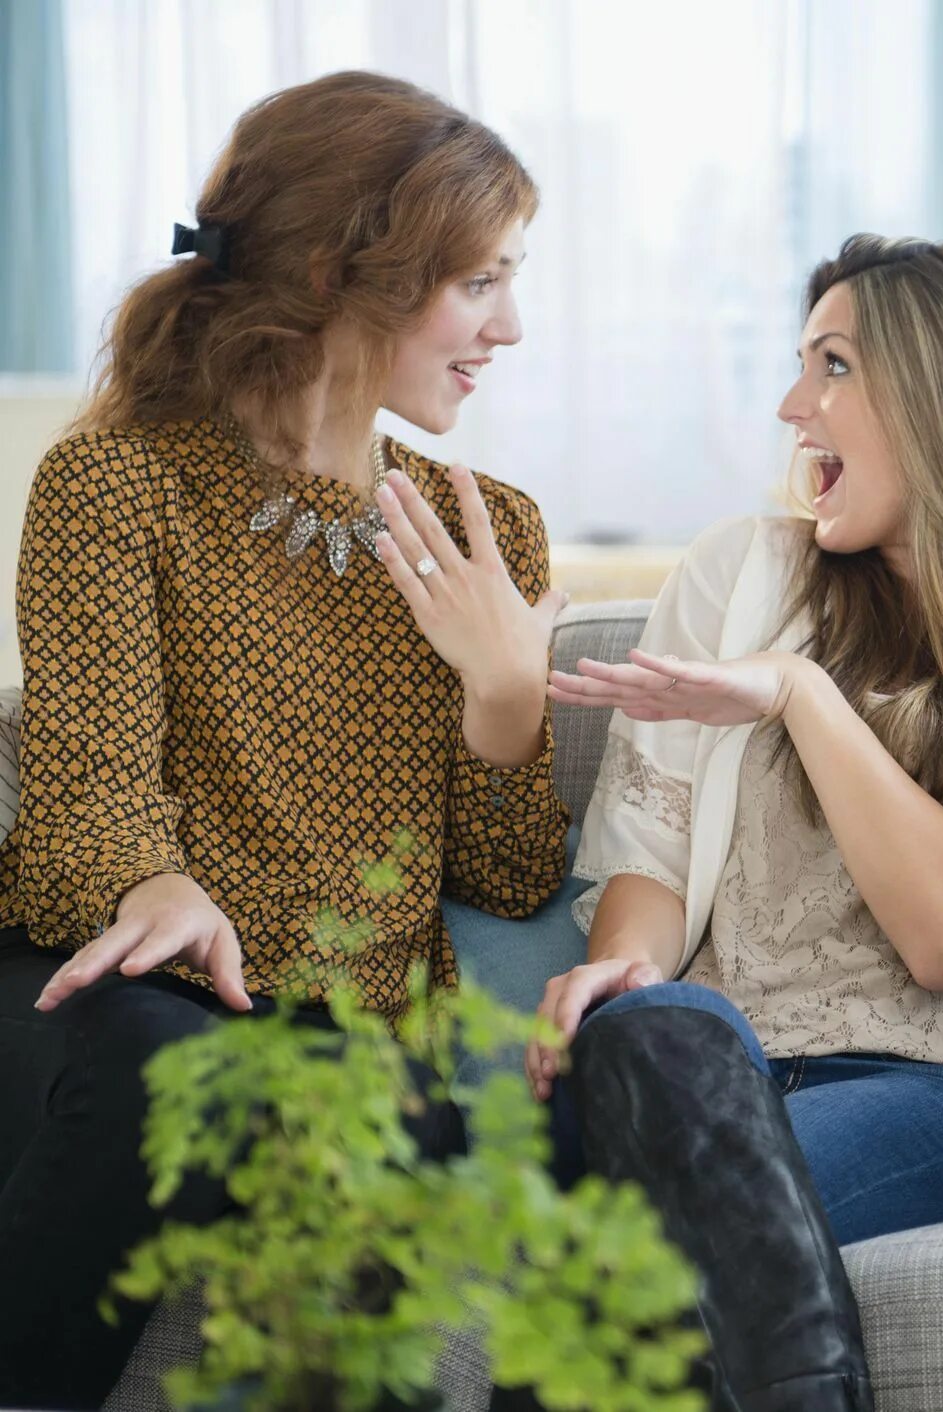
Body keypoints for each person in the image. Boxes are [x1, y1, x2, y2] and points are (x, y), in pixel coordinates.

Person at [526, 234, 943, 1410]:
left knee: (633, 1258)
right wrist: (616, 974)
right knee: (656, 1026)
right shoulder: (739, 573)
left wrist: (802, 693)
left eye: (831, 365)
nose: (792, 405)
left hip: (916, 1085)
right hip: (684, 1062)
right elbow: (650, 851)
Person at [0, 71, 567, 1408]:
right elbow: (89, 785)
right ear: (337, 271)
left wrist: (502, 697)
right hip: (112, 993)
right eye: (478, 284)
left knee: (360, 1115)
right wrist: (158, 884)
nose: (512, 326)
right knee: (169, 1066)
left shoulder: (493, 531)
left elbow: (510, 880)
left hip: (346, 1033)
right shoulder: (116, 480)